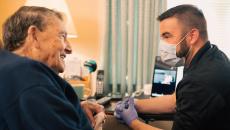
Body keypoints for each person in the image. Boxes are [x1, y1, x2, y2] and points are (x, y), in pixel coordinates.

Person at [115, 4, 230, 130]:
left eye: (167, 36)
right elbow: (175, 101)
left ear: (192, 36)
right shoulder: (212, 55)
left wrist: (133, 122)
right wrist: (136, 104)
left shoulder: (198, 81)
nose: (162, 44)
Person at [0, 6, 104, 130]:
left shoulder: (16, 75)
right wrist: (97, 127)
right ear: (34, 35)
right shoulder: (28, 75)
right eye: (62, 36)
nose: (69, 49)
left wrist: (70, 108)